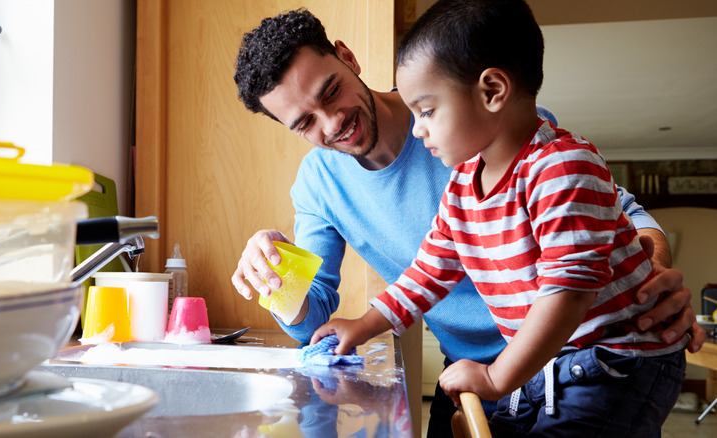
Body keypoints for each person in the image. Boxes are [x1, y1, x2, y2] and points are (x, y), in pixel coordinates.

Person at [231, 7, 704, 437]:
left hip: (585, 358)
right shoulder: (335, 181)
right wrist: (276, 276)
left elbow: (609, 224)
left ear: (347, 57)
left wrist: (648, 282)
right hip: (479, 370)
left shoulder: (494, 128)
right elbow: (416, 274)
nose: (331, 123)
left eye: (330, 91)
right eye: (304, 123)